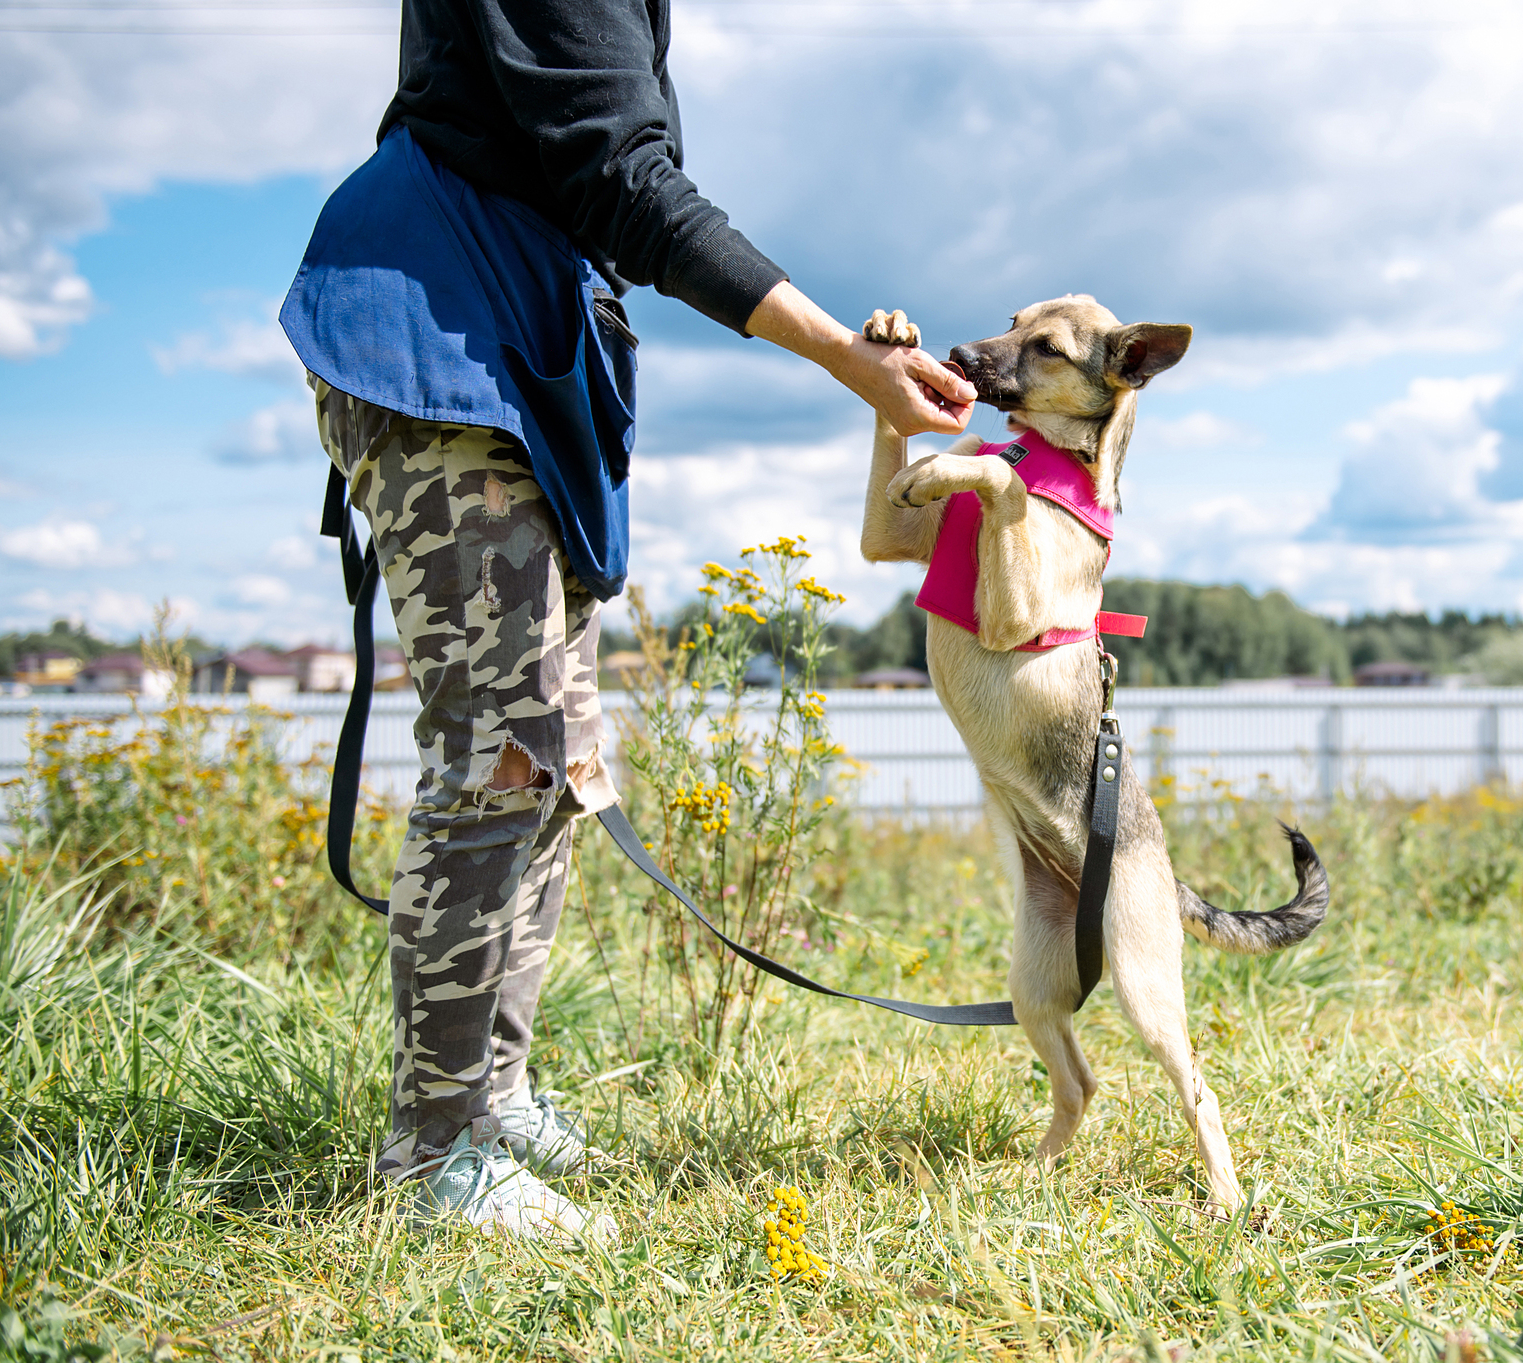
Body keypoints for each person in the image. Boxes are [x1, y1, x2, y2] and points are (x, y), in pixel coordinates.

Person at [280, 0, 975, 1239]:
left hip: (509, 330)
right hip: (442, 328)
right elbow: (619, 174)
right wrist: (835, 351)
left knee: (553, 758)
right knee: (502, 755)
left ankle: (493, 1099)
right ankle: (433, 1151)